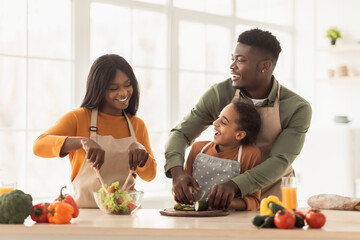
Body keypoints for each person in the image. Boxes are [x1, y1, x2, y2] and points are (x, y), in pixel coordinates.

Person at [165, 28, 312, 210]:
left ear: (264, 66)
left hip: (274, 200)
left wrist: (235, 185)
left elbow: (280, 160)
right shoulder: (220, 93)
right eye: (232, 58)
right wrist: (178, 172)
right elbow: (181, 133)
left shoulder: (297, 108)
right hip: (226, 201)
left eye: (240, 60)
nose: (232, 66)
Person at [33, 54, 157, 208]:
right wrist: (81, 141)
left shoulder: (136, 124)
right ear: (98, 89)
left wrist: (142, 153)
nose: (124, 93)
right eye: (114, 88)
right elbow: (38, 146)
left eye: (127, 85)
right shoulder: (79, 118)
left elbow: (150, 175)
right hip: (84, 216)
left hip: (124, 215)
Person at [184, 100, 261, 210]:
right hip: (194, 217)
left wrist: (227, 203)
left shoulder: (250, 154)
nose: (215, 123)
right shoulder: (198, 148)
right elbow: (184, 188)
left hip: (229, 222)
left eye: (223, 122)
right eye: (218, 117)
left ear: (239, 134)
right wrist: (181, 193)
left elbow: (254, 201)